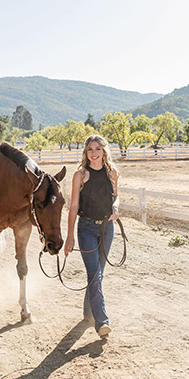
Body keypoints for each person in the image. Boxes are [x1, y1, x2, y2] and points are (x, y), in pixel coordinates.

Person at [64, 135, 119, 338]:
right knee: (95, 275)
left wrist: (116, 206)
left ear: (104, 151)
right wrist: (70, 236)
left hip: (107, 228)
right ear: (85, 153)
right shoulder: (80, 175)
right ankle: (102, 321)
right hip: (86, 228)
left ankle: (88, 312)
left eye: (97, 149)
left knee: (98, 275)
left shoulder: (112, 173)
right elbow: (73, 206)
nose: (94, 153)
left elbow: (116, 196)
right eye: (90, 149)